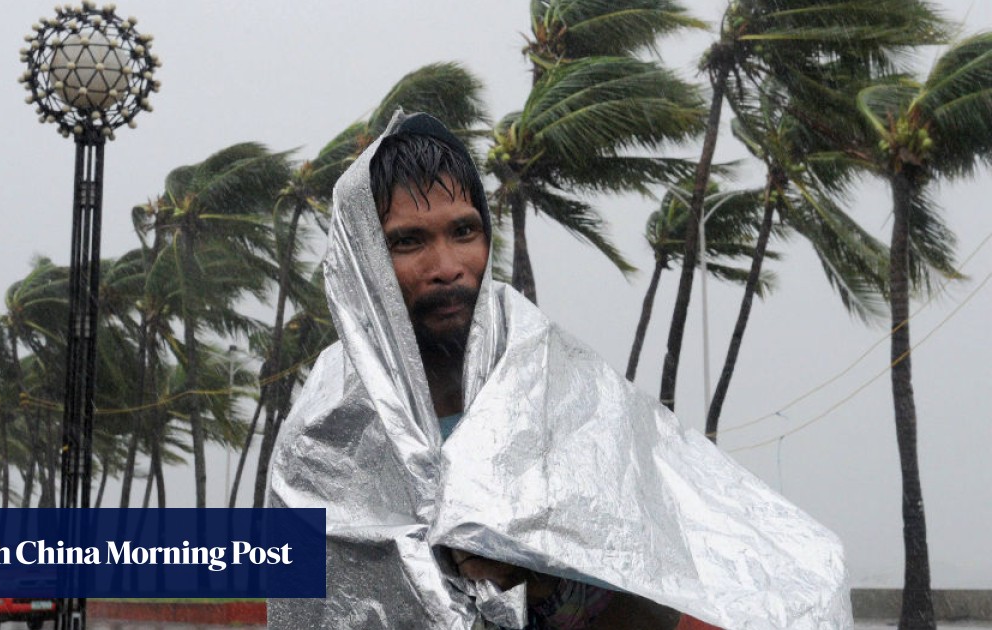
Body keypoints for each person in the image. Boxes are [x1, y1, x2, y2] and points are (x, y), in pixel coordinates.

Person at [267, 112, 853, 629]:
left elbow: (661, 600)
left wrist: (542, 581)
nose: (447, 266)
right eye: (408, 241)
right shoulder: (321, 439)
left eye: (463, 231)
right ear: (364, 260)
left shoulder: (562, 393)